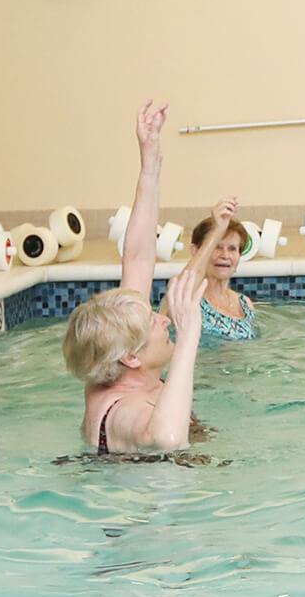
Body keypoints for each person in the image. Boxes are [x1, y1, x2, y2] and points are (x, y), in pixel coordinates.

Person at [62, 101, 208, 454]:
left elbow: (139, 258)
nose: (162, 318)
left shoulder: (117, 362)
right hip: (152, 503)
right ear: (131, 357)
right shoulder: (122, 410)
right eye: (152, 320)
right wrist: (189, 336)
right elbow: (168, 441)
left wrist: (150, 166)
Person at [173, 197, 256, 341]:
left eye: (232, 249)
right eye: (216, 246)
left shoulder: (245, 304)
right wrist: (217, 231)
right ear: (195, 251)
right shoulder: (184, 297)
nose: (225, 256)